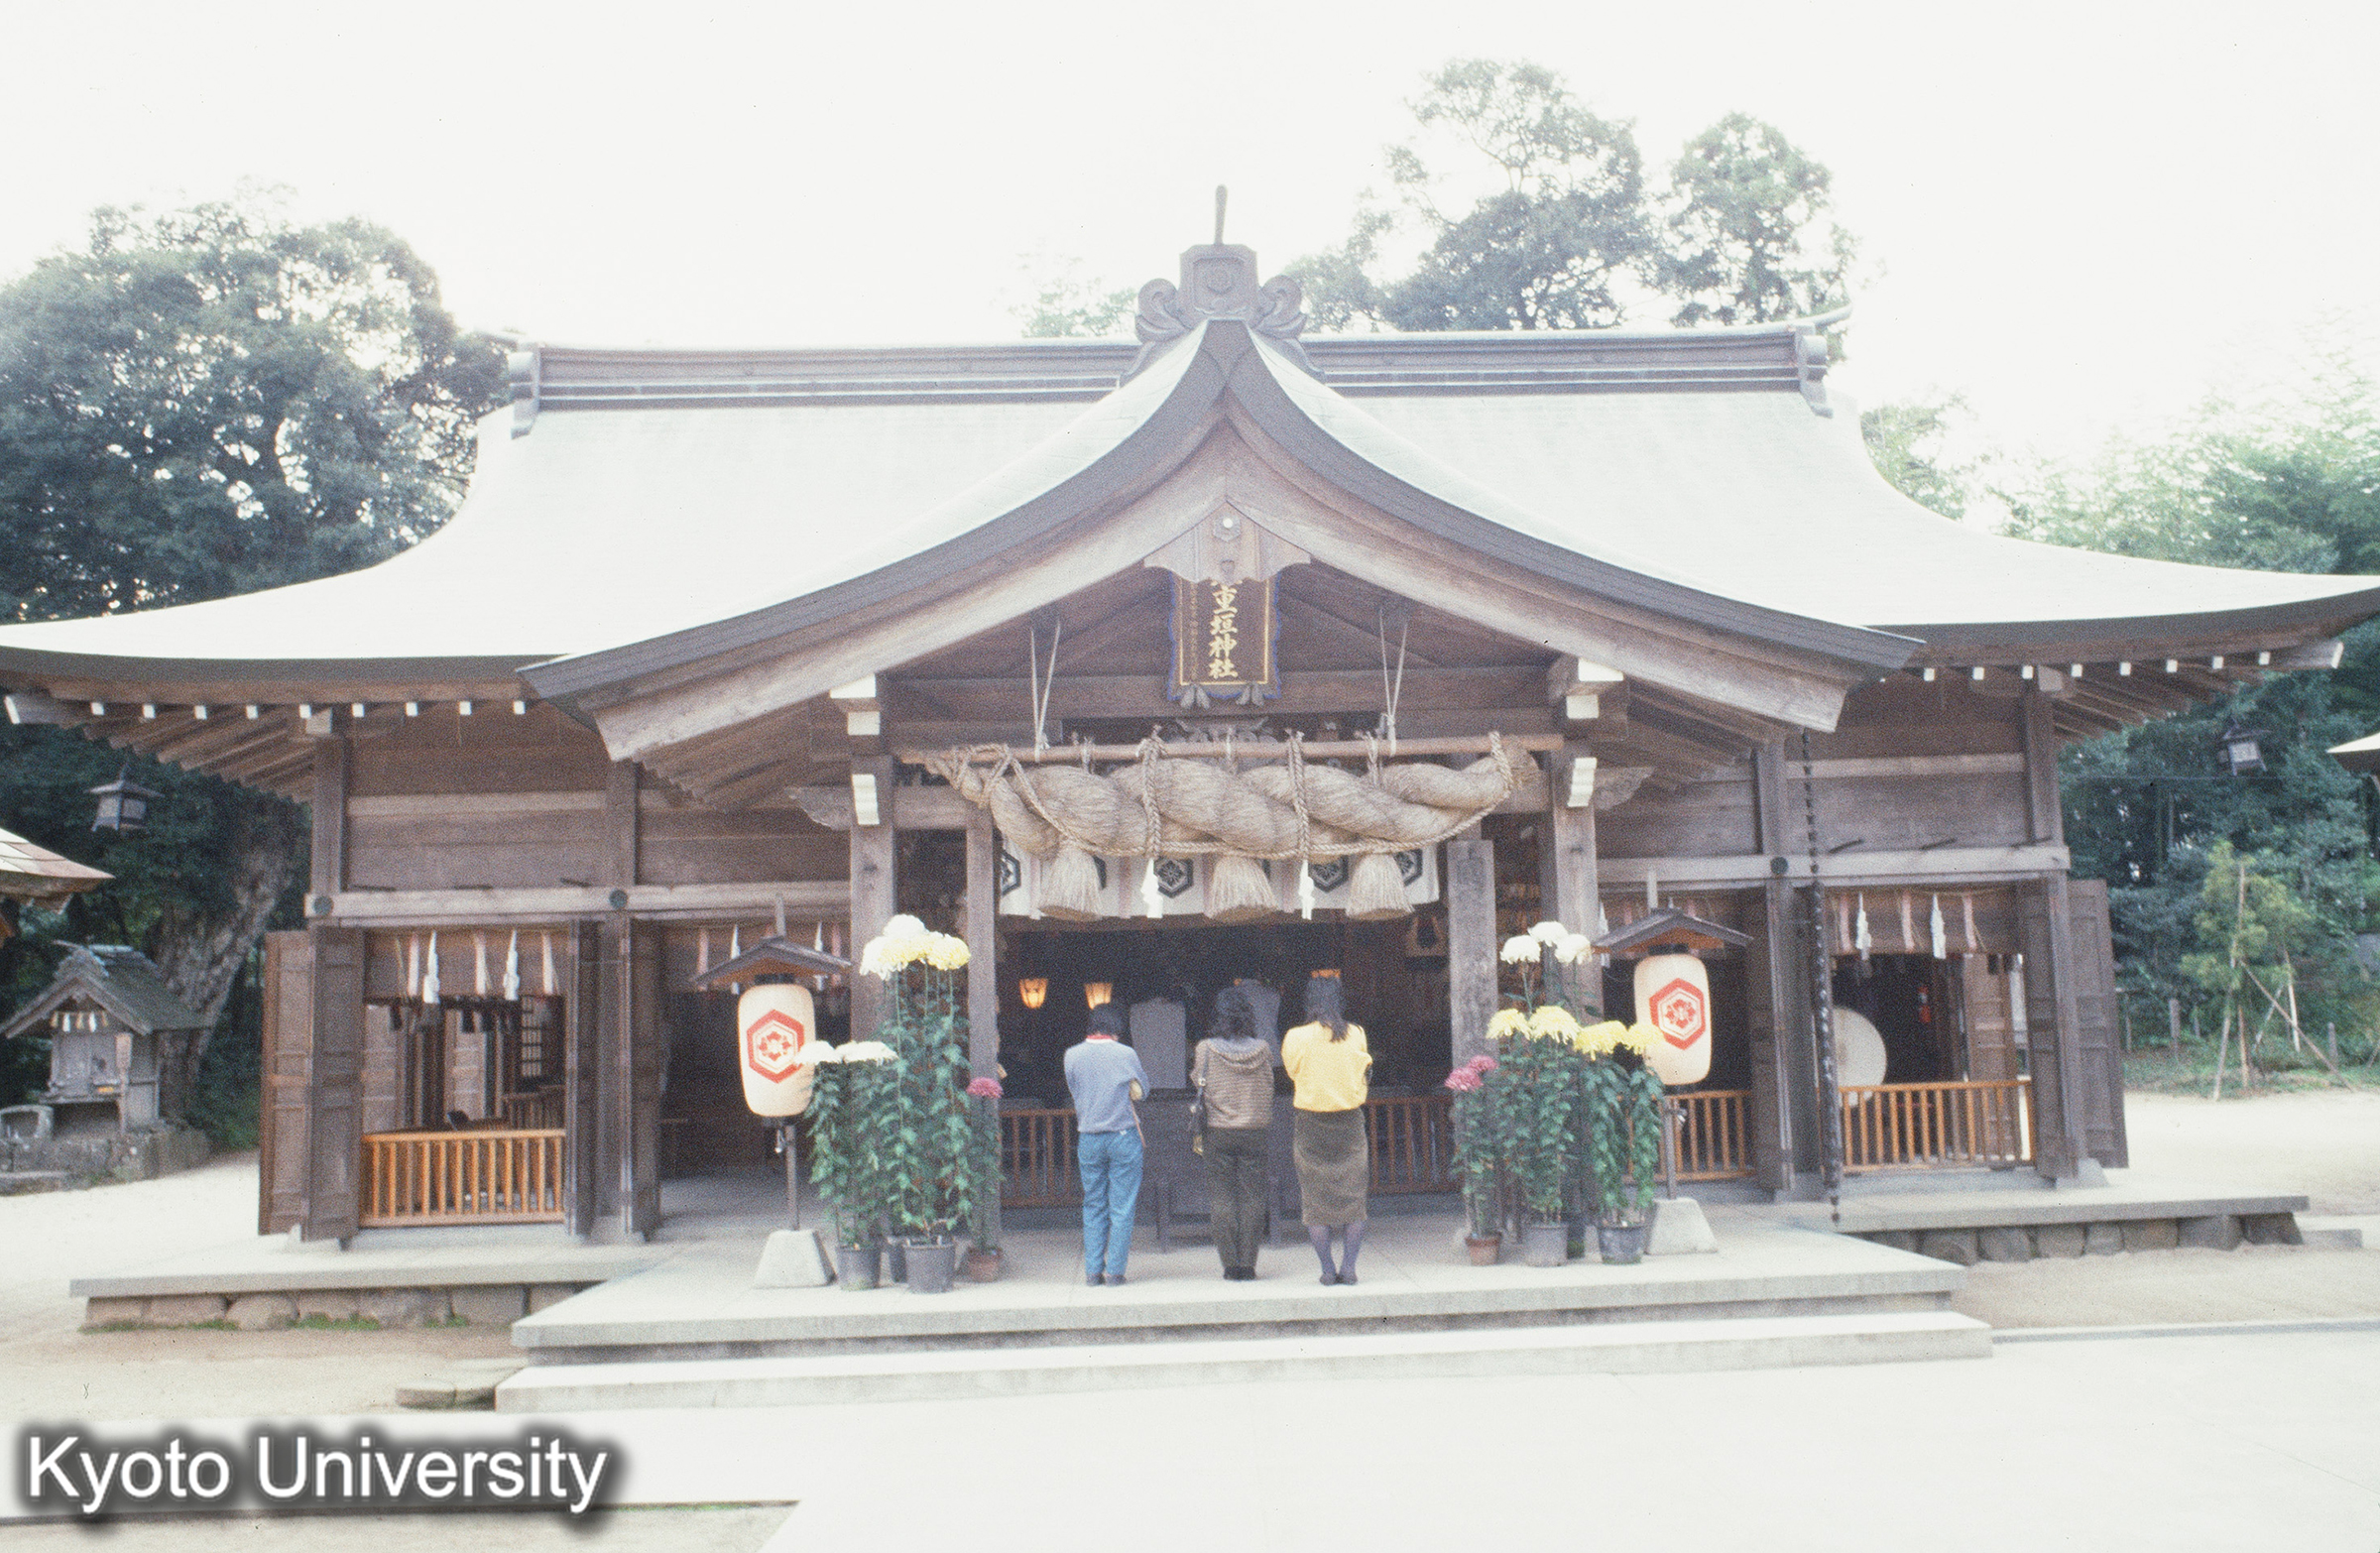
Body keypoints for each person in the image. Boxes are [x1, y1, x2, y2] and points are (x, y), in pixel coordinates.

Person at [1281, 972, 1370, 1285]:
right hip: (1349, 1123)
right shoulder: (1357, 1034)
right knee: (1354, 1200)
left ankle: (1327, 1270)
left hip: (1310, 1124)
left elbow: (1293, 1072)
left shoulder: (1295, 1036)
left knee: (1316, 1203)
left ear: (1310, 1002)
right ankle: (1349, 1268)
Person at [1192, 983, 1277, 1281]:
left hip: (1218, 1129)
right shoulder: (1263, 1048)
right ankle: (1249, 1264)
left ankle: (1230, 1264)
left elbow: (1197, 1081)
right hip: (1254, 1128)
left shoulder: (1206, 1048)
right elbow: (1269, 1084)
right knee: (1253, 1196)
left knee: (1221, 1196)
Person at [1064, 1004, 1149, 1286]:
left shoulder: (1071, 1055)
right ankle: (1114, 1272)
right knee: (1122, 1207)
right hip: (1123, 1135)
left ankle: (1092, 1272)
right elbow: (1144, 1090)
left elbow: (1074, 1090)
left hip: (1088, 1135)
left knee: (1093, 1204)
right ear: (1117, 1028)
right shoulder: (1126, 1054)